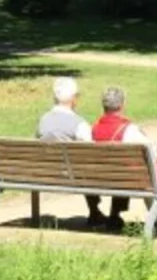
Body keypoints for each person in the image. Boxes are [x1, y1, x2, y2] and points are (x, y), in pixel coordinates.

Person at [93, 85, 157, 231]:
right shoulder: (128, 130)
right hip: (133, 177)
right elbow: (151, 151)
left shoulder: (94, 129)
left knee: (143, 173)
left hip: (109, 177)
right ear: (122, 105)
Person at [37, 77, 112, 227]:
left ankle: (95, 212)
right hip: (73, 175)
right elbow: (93, 150)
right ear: (73, 99)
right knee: (87, 164)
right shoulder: (79, 123)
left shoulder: (43, 120)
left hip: (45, 172)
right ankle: (95, 212)